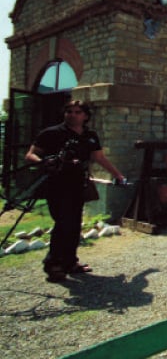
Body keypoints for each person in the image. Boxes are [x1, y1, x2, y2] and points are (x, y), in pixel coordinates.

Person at [24, 100, 125, 283]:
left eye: (77, 112)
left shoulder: (90, 136)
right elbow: (30, 154)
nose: (72, 114)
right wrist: (43, 161)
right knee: (63, 224)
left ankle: (70, 262)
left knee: (74, 225)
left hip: (78, 185)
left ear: (85, 116)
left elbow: (99, 158)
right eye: (69, 111)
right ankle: (53, 265)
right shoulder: (51, 133)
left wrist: (118, 175)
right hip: (56, 185)